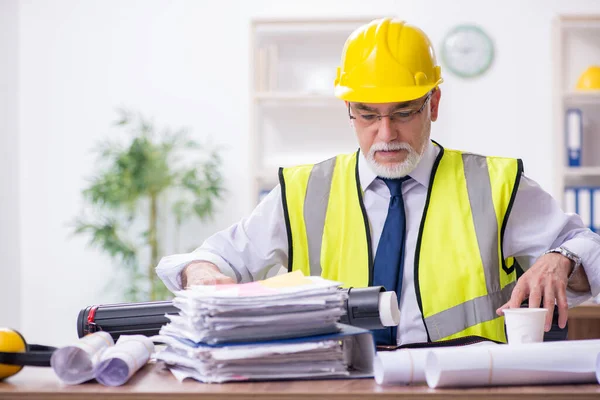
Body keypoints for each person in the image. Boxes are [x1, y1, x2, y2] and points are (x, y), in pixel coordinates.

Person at [156, 17, 600, 346]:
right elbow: (211, 258)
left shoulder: (495, 184)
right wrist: (203, 273)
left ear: (434, 103)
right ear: (349, 110)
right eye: (368, 114)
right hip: (336, 385)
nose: (385, 134)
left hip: (466, 387)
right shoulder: (303, 190)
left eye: (403, 112)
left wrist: (560, 257)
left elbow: (589, 250)